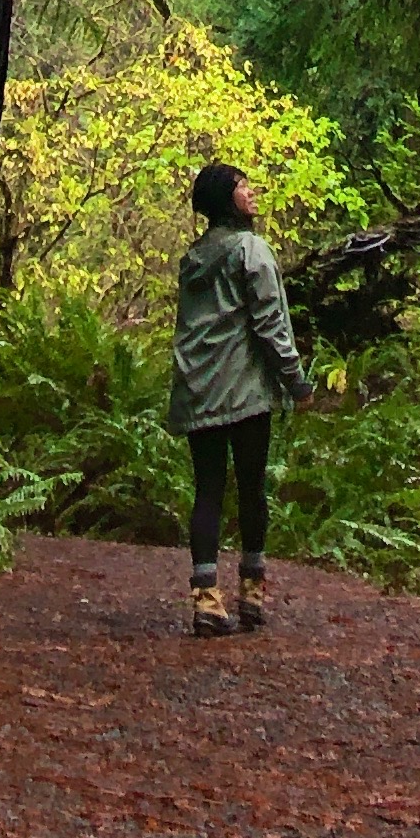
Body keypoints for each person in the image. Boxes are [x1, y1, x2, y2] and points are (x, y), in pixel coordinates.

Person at [167, 158, 310, 636]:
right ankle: (251, 593)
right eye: (241, 186)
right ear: (226, 198)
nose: (250, 191)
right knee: (251, 488)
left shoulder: (194, 259)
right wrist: (296, 381)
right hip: (246, 391)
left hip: (199, 389)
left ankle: (206, 600)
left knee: (207, 489)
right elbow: (271, 324)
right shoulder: (252, 251)